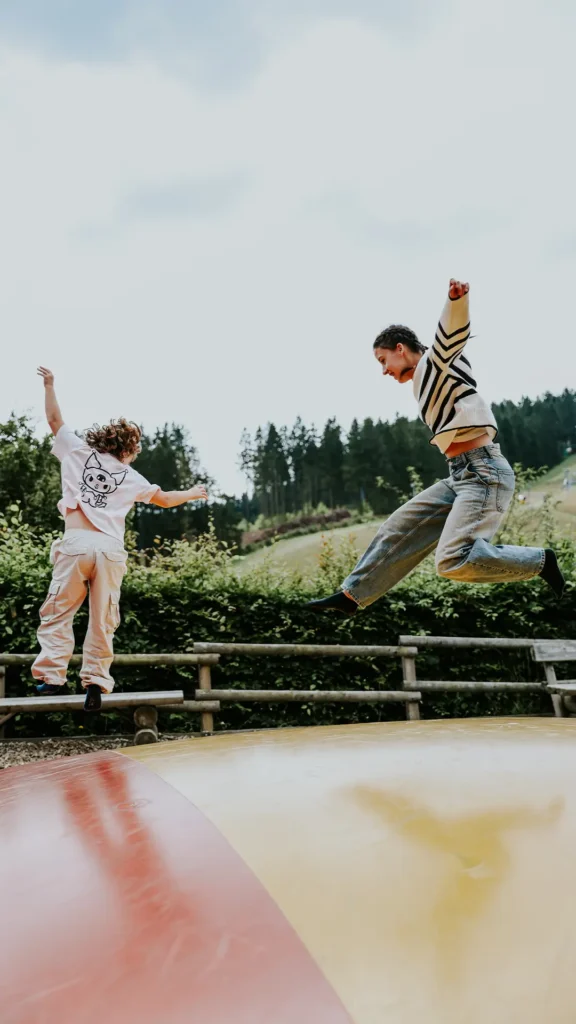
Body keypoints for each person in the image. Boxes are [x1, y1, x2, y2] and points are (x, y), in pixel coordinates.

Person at [309, 279, 565, 615]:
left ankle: (539, 561)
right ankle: (353, 596)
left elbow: (450, 335)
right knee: (398, 527)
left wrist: (455, 301)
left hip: (483, 472)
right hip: (461, 475)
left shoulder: (436, 362)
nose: (384, 371)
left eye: (383, 360)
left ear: (401, 348)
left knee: (451, 561)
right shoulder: (423, 379)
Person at [33, 367, 208, 710]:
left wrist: (50, 384)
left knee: (58, 611)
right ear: (128, 450)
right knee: (103, 618)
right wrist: (192, 492)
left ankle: (51, 678)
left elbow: (54, 419)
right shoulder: (130, 475)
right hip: (110, 551)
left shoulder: (76, 450)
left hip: (77, 543)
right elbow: (165, 499)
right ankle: (96, 682)